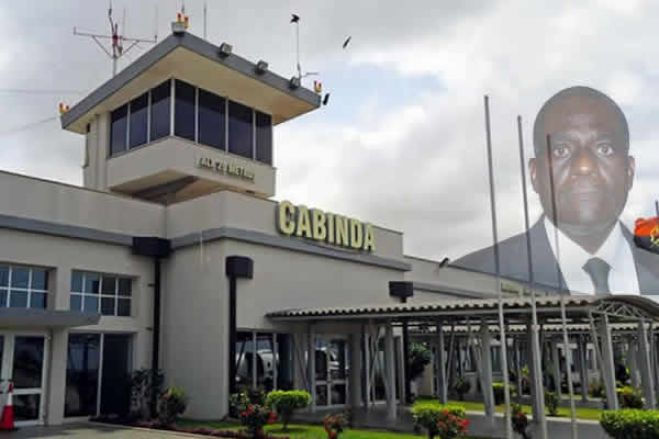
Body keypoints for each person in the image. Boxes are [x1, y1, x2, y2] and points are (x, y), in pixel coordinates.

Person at [454, 86, 659, 295]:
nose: (584, 166)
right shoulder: (469, 277)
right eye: (561, 150)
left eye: (604, 148)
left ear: (630, 170)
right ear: (535, 174)